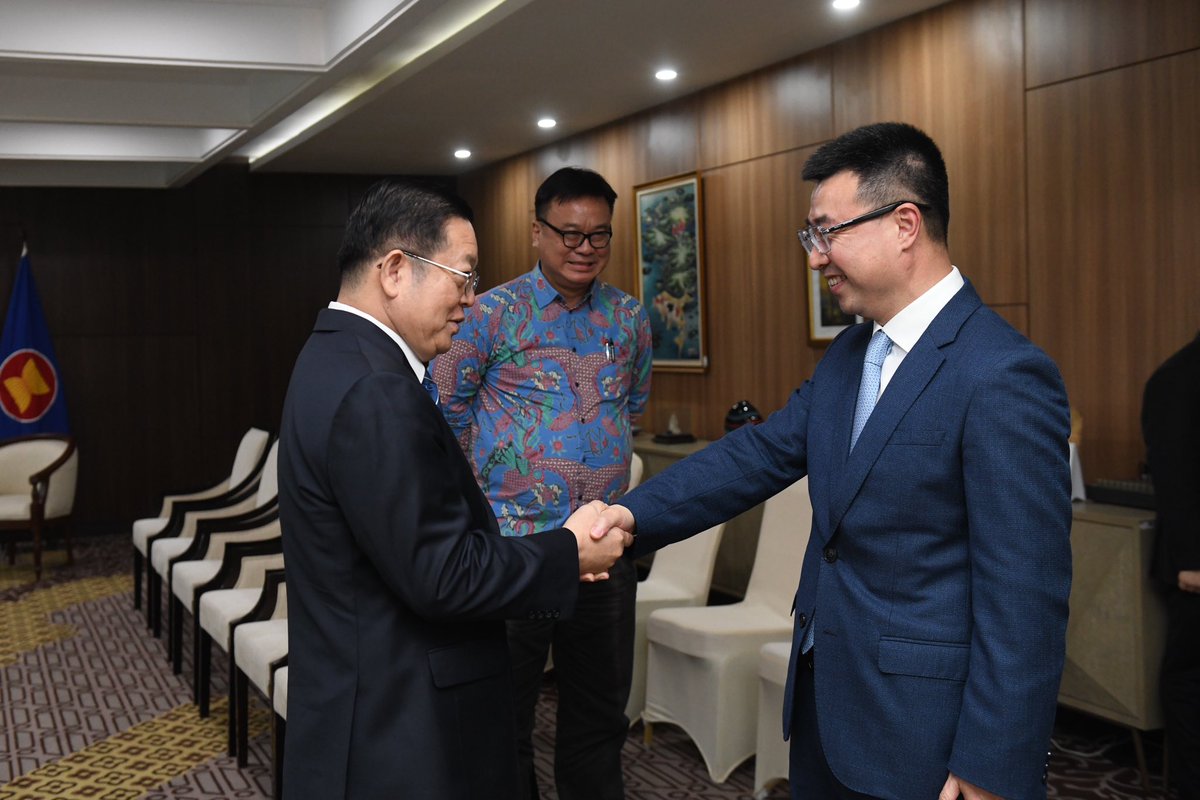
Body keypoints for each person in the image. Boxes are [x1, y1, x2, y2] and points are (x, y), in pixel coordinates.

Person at [591, 122, 1072, 800]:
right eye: (810, 237)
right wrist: (627, 517)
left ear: (905, 223)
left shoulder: (1002, 373)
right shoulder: (851, 354)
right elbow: (757, 455)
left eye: (827, 232)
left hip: (927, 738)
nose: (815, 257)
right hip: (824, 705)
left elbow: (1025, 599)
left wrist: (993, 764)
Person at [277, 179, 626, 800]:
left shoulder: (334, 355)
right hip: (401, 729)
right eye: (462, 277)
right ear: (393, 270)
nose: (469, 300)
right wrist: (568, 552)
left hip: (364, 703)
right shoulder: (375, 390)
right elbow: (441, 573)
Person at [433, 166, 651, 800]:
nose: (585, 248)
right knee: (503, 713)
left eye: (599, 236)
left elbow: (631, 409)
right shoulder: (488, 314)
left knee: (599, 716)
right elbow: (444, 416)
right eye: (570, 234)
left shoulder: (631, 319)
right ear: (537, 231)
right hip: (514, 551)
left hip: (607, 548)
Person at [1144, 332, 1200, 800]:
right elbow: (1174, 474)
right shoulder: (1178, 378)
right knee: (1189, 682)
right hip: (1195, 571)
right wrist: (1189, 561)